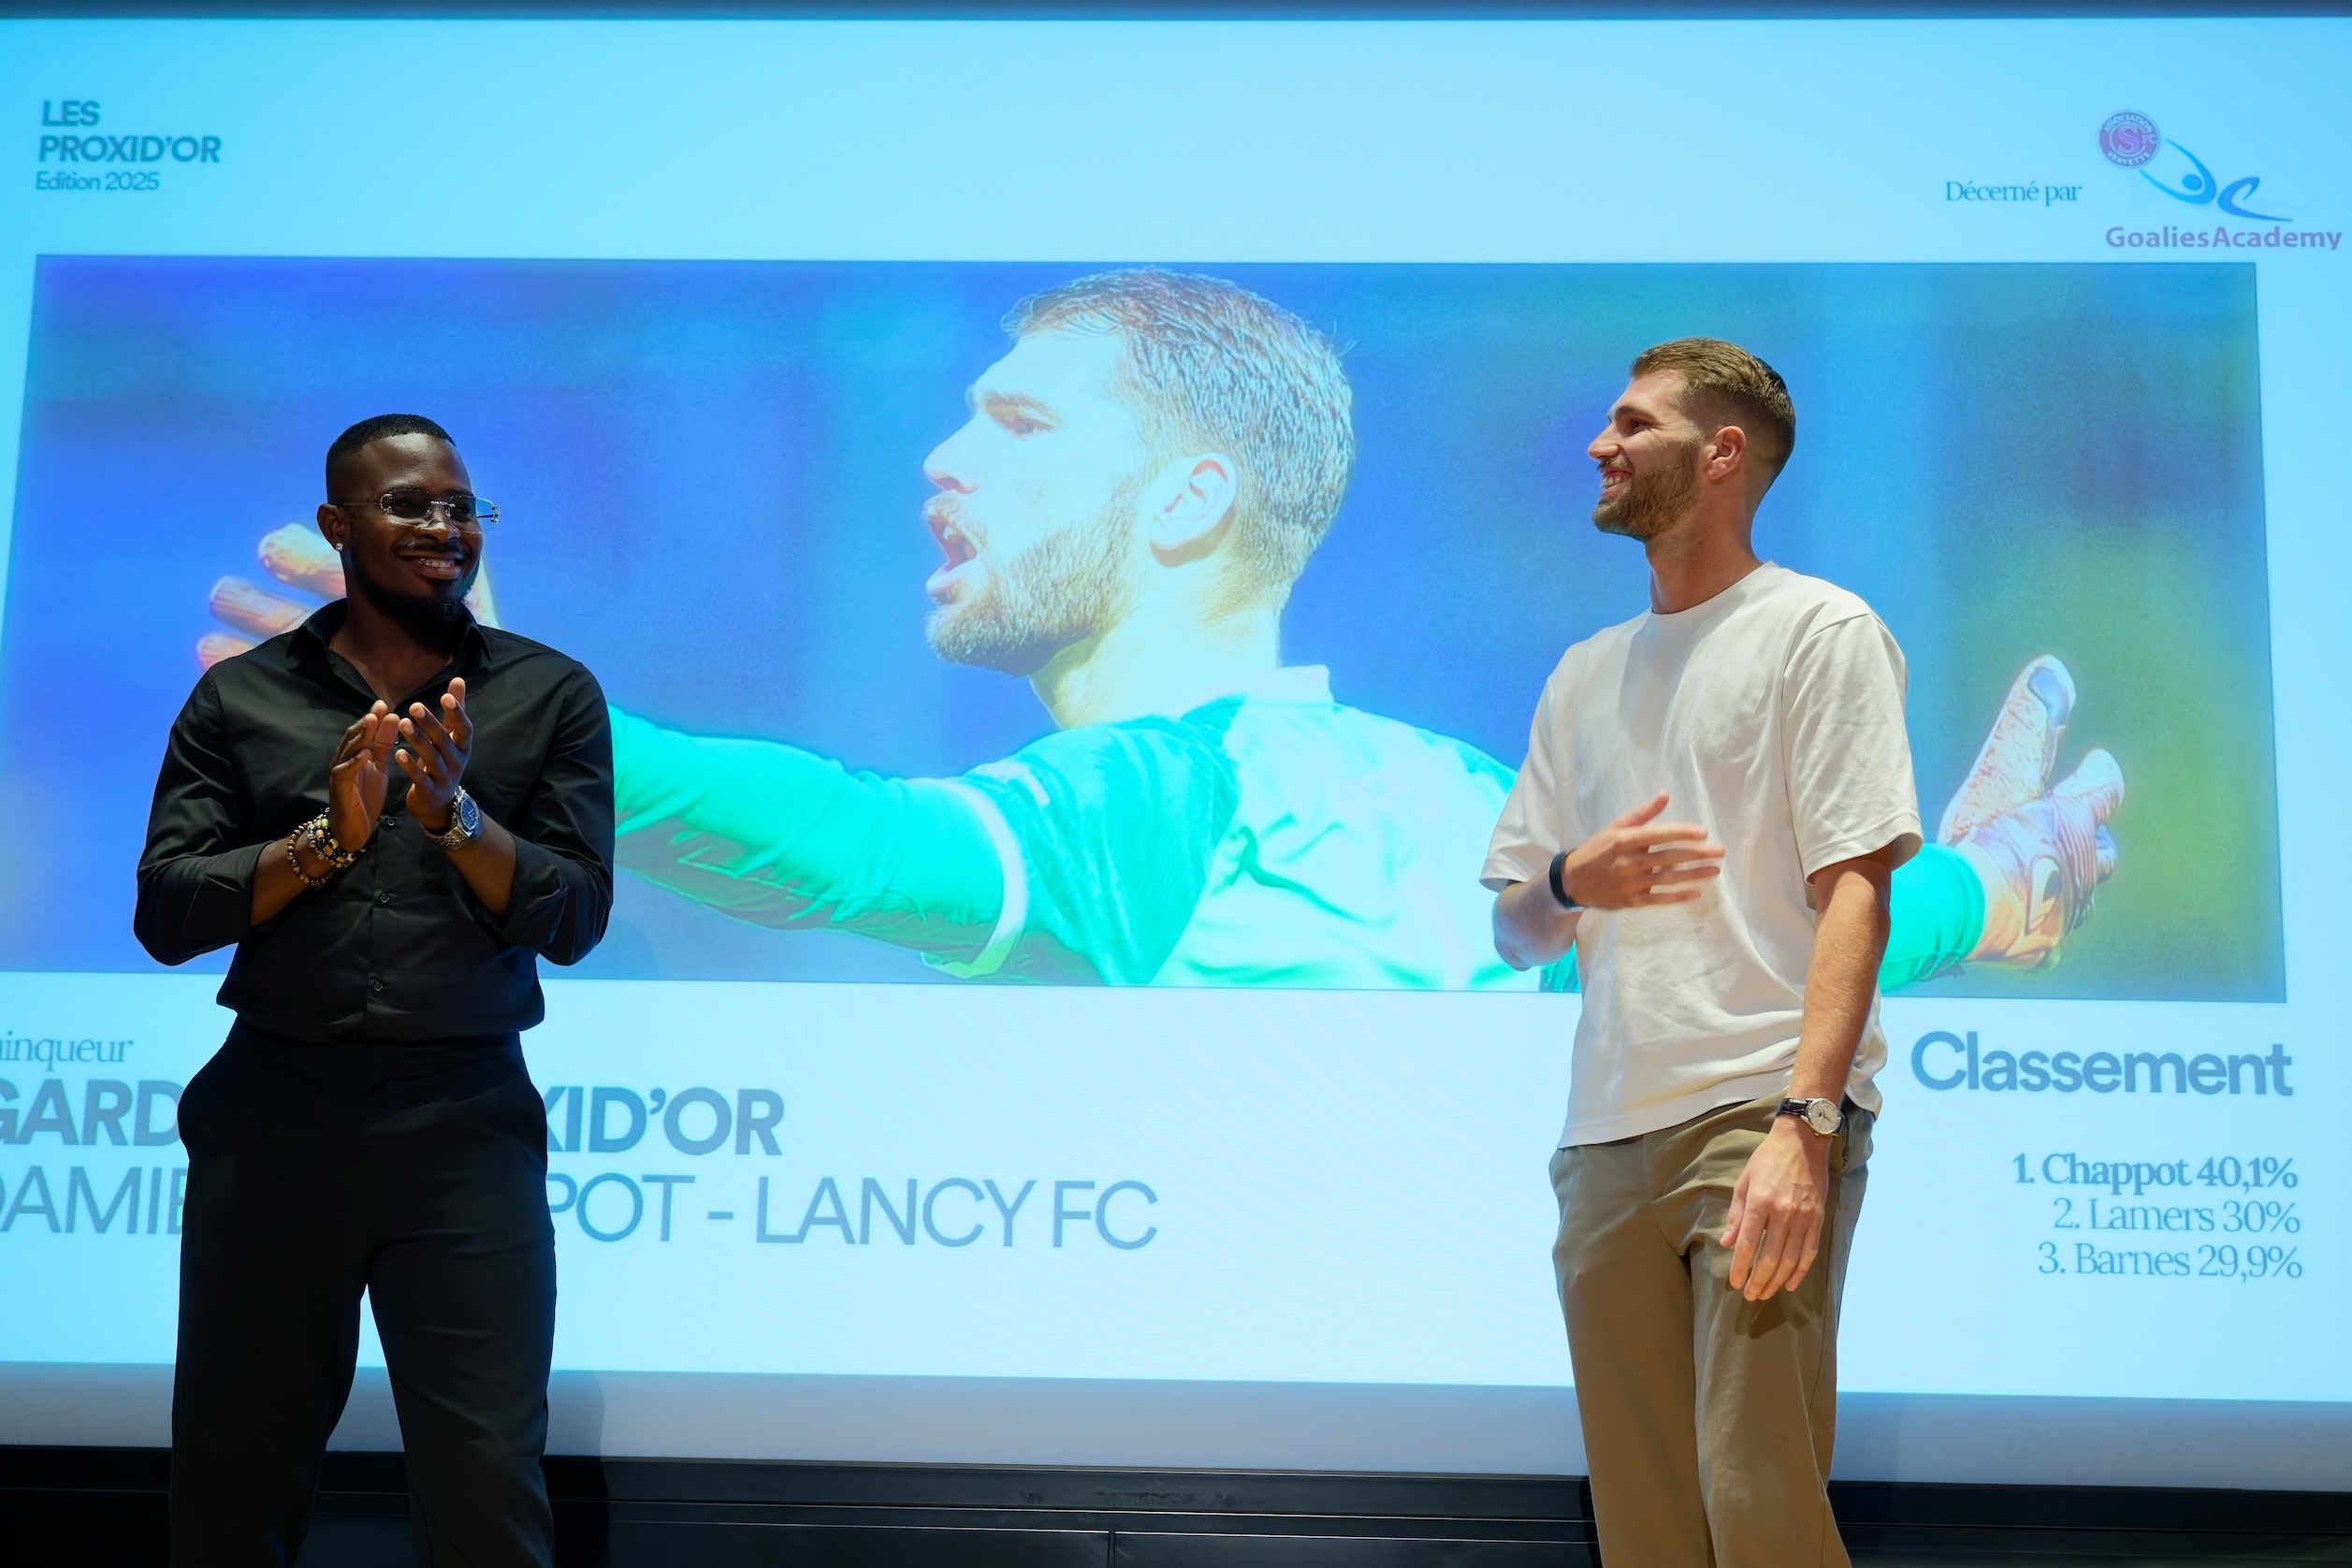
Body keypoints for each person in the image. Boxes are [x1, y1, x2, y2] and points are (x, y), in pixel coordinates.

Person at [198, 270, 2116, 991]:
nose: (940, 461)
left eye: (1017, 425)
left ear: (1193, 498)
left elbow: (853, 848)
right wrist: (1990, 883)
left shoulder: (1174, 803)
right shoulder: (1467, 801)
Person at [1485, 340, 1952, 1566]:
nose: (1601, 444)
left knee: (1757, 1503)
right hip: (1603, 1138)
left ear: (1722, 454)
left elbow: (1857, 893)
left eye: (1634, 423)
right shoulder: (1582, 674)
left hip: (1756, 1113)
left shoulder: (1819, 630)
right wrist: (1571, 879)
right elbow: (1514, 926)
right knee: (1645, 1532)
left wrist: (1805, 1123)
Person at [137, 414, 614, 1566]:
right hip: (274, 1121)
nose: (444, 526)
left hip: (463, 1126)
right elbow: (169, 912)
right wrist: (326, 840)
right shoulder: (243, 697)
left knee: (486, 1476)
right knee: (234, 1474)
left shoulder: (549, 692)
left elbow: (573, 914)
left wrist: (454, 816)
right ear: (337, 525)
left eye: (461, 507)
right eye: (410, 504)